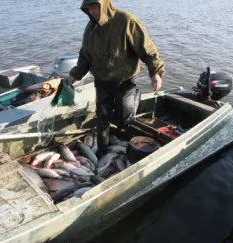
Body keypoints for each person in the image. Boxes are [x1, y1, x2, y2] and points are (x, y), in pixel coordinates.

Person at [67, 0, 165, 153]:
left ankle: (125, 134)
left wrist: (155, 72)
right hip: (102, 81)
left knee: (125, 114)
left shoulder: (126, 21)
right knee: (102, 117)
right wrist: (76, 74)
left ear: (104, 4)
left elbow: (147, 49)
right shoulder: (91, 28)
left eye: (95, 8)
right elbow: (85, 55)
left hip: (124, 80)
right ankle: (103, 150)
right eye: (89, 10)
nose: (92, 12)